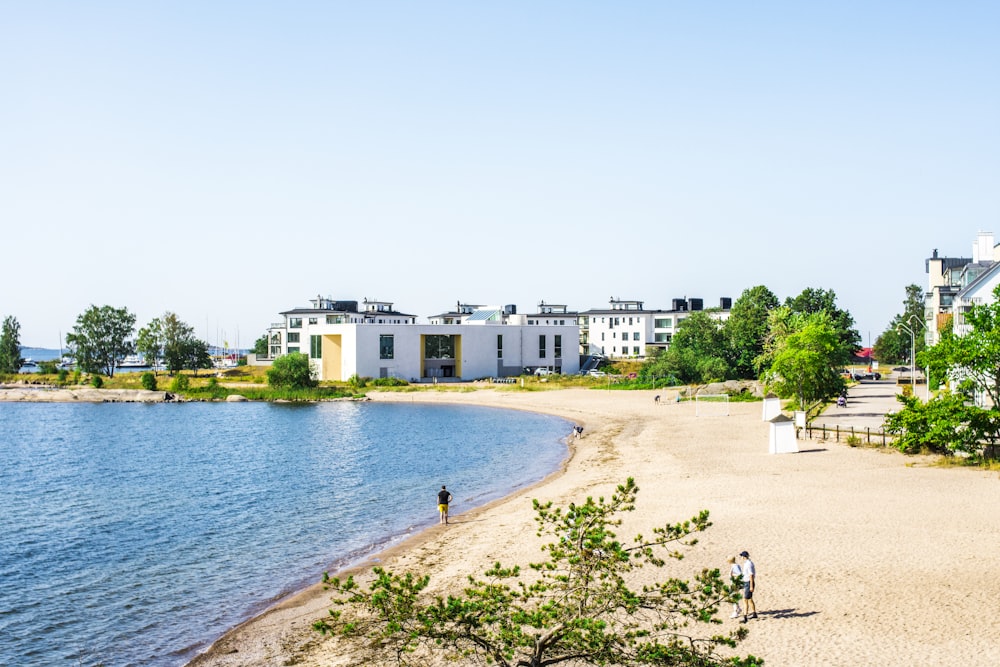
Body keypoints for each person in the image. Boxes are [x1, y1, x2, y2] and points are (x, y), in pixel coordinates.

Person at [739, 551, 757, 622]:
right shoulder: (747, 563)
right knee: (749, 599)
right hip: (746, 582)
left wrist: (751, 586)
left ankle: (745, 617)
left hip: (748, 583)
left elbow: (751, 575)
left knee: (745, 600)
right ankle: (754, 613)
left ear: (744, 557)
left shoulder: (748, 564)